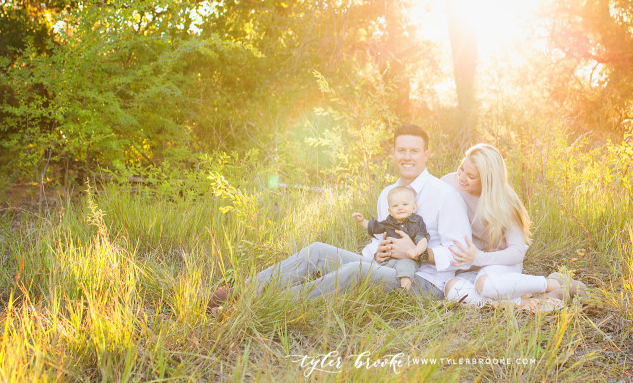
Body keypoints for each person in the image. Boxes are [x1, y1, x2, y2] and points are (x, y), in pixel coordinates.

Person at [207, 124, 471, 311]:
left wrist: (416, 253)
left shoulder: (445, 196)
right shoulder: (387, 194)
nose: (407, 157)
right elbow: (379, 239)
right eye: (401, 150)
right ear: (393, 153)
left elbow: (458, 256)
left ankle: (261, 306)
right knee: (317, 251)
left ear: (426, 154)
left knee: (354, 271)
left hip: (424, 284)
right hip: (385, 268)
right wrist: (377, 253)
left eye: (414, 151)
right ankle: (243, 292)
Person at [442, 143, 587, 307]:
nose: (461, 177)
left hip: (500, 264)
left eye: (471, 176)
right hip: (470, 268)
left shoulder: (506, 201)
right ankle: (520, 303)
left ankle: (552, 283)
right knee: (452, 288)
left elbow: (517, 251)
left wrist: (479, 257)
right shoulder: (448, 184)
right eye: (461, 168)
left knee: (484, 285)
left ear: (487, 179)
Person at [352, 184, 429, 291]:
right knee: (379, 272)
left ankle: (403, 290)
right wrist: (362, 221)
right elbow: (374, 227)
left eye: (405, 204)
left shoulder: (416, 222)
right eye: (395, 206)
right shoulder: (388, 223)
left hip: (407, 259)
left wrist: (416, 251)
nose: (400, 208)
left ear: (414, 208)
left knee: (406, 269)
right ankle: (376, 291)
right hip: (388, 260)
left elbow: (422, 240)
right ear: (390, 211)